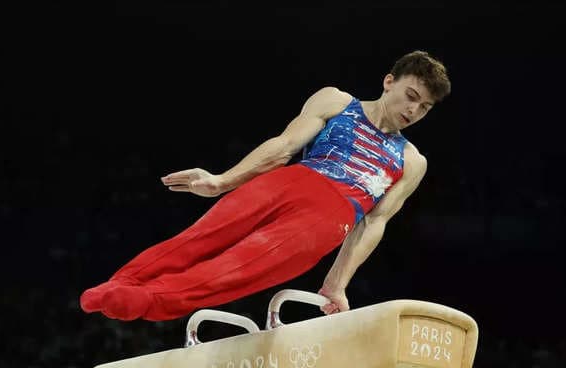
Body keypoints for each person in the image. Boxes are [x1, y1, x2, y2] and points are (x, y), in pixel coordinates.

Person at [80, 50, 451, 322]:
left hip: (328, 219)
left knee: (235, 269)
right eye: (411, 96)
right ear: (389, 82)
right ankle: (121, 282)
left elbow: (373, 224)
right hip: (290, 181)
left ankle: (146, 299)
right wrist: (223, 180)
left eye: (425, 107)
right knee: (200, 237)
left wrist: (336, 283)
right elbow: (284, 146)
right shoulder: (337, 102)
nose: (414, 109)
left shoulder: (411, 161)